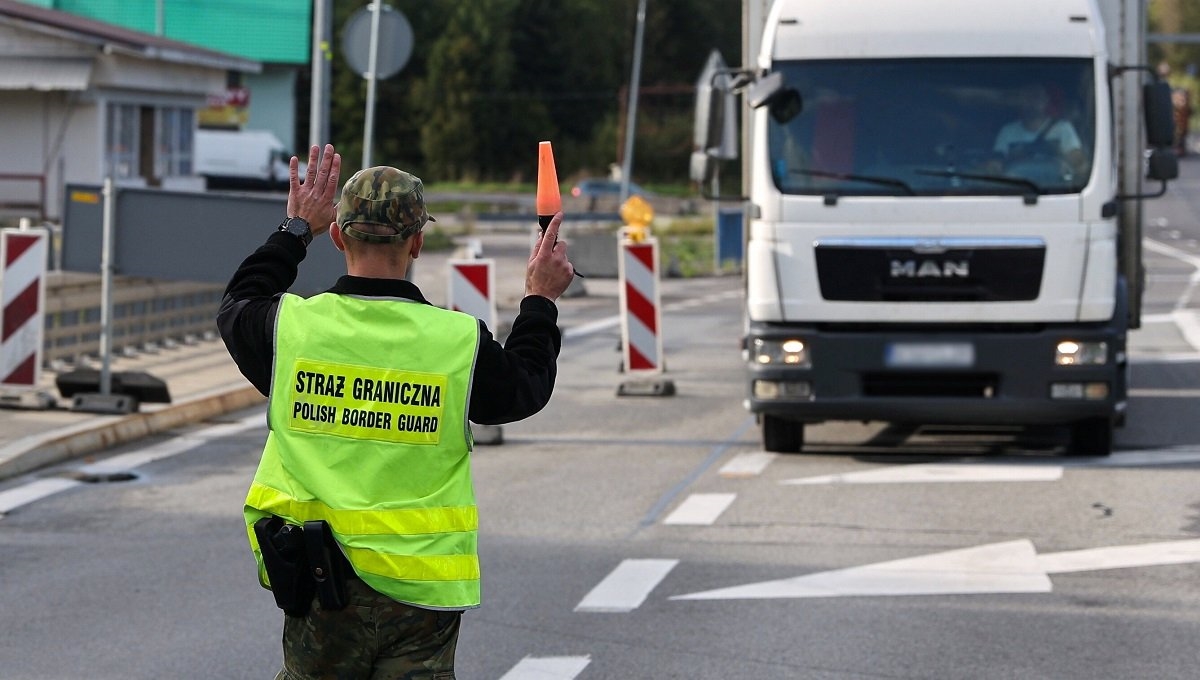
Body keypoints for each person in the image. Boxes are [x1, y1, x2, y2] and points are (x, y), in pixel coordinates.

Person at [217, 143, 576, 679]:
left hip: (322, 582)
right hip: (422, 593)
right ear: (418, 242)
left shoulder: (291, 329)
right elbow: (525, 388)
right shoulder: (458, 342)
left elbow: (237, 304)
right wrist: (539, 300)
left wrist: (295, 230)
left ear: (337, 236)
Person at [991, 83, 1087, 178]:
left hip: (1056, 188)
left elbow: (1076, 159)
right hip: (1016, 187)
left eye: (1037, 96)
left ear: (1046, 101)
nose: (1032, 101)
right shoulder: (1008, 131)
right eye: (1027, 97)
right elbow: (996, 161)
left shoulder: (1063, 128)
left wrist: (1062, 156)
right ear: (1019, 101)